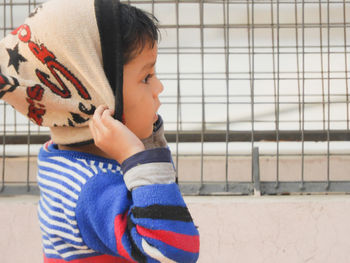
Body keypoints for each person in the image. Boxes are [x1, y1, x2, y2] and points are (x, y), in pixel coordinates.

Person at [0, 0, 200, 262]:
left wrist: (144, 144)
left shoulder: (68, 159)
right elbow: (174, 251)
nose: (158, 87)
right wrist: (135, 154)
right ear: (94, 90)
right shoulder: (91, 187)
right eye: (146, 77)